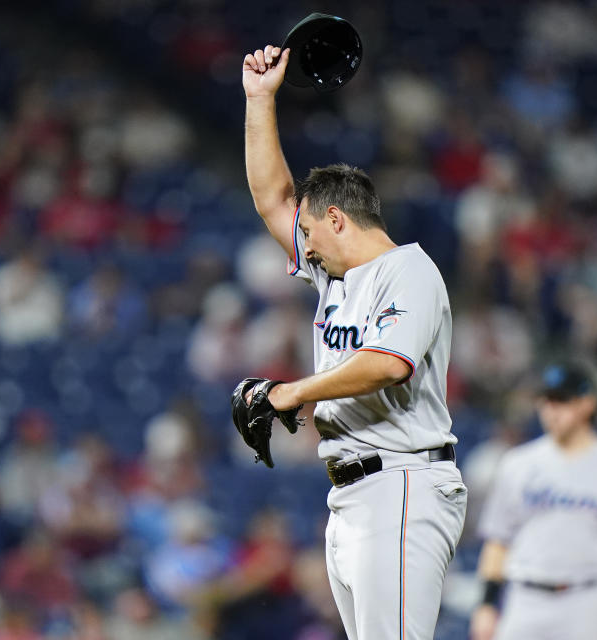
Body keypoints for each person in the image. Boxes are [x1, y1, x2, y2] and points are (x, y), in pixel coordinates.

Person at [240, 45, 467, 639]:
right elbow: (273, 200)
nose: (303, 247)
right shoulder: (335, 274)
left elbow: (387, 363)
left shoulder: (409, 271)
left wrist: (293, 393)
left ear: (338, 218)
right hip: (355, 490)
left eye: (311, 233)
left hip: (401, 481)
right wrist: (260, 99)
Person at [470, 361, 597, 640]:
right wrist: (486, 603)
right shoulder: (517, 463)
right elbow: (498, 541)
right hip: (525, 597)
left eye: (561, 401)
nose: (550, 410)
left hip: (588, 601)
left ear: (587, 403)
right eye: (545, 401)